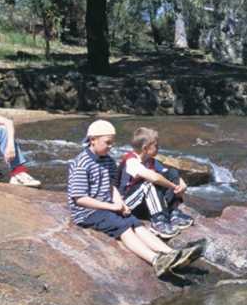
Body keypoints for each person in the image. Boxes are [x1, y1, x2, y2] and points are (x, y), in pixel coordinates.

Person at [67, 119, 202, 278]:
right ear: (92, 140)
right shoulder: (81, 163)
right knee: (123, 227)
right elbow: (79, 198)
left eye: (112, 143)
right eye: (107, 142)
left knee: (135, 222)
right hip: (88, 212)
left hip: (107, 205)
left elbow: (111, 186)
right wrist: (111, 207)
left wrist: (119, 202)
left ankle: (172, 253)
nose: (111, 146)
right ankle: (155, 260)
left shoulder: (108, 161)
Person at [117, 127, 195, 239]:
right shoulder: (131, 161)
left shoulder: (151, 161)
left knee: (172, 172)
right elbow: (154, 178)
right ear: (145, 148)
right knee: (148, 183)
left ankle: (173, 212)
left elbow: (168, 173)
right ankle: (158, 221)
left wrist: (181, 184)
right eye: (156, 145)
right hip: (127, 203)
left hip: (143, 202)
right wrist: (174, 186)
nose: (159, 148)